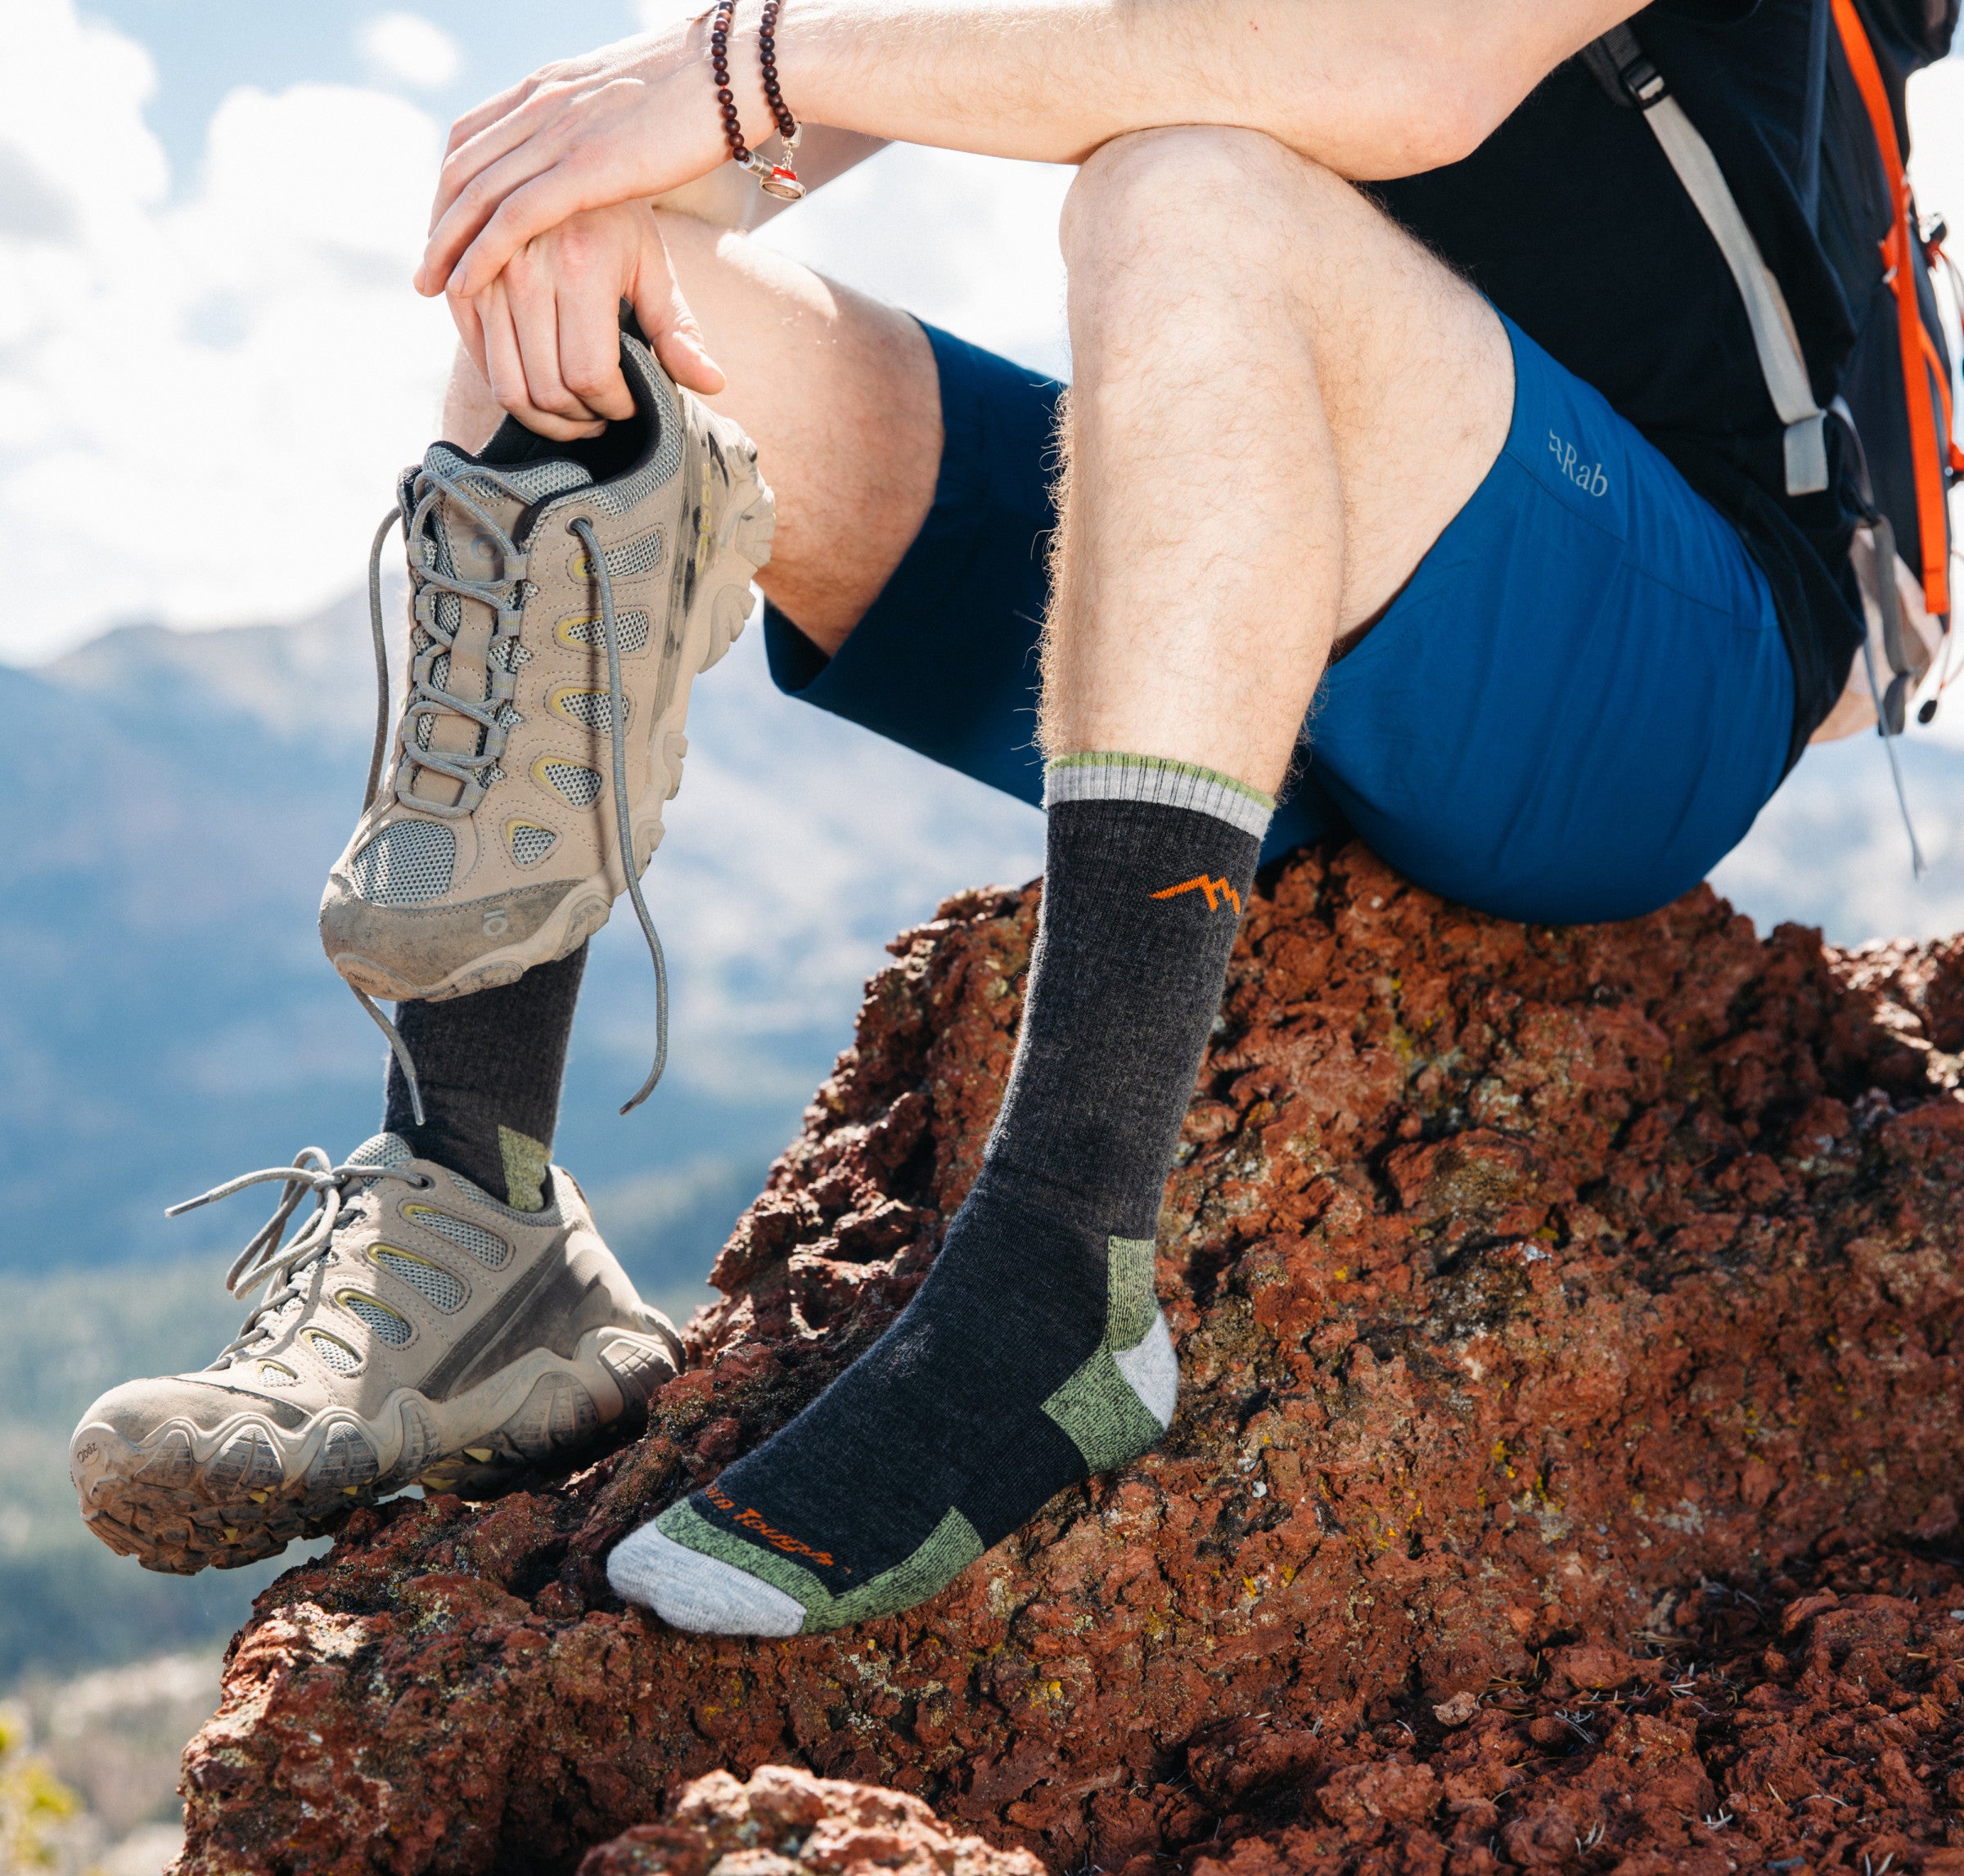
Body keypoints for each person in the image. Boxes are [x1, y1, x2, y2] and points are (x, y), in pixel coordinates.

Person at [69, 0, 1948, 1628]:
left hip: (1649, 663)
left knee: (1191, 189)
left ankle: (1060, 1280)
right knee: (594, 253)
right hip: (1274, 596)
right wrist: (611, 189)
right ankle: (474, 1214)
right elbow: (761, 117)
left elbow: (1406, 62)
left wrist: (737, 69)